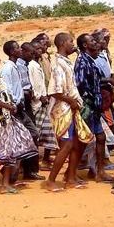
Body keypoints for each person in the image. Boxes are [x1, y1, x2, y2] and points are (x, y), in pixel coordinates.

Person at [0, 47, 38, 196]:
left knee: (11, 150)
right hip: (0, 119)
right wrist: (9, 106)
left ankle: (5, 184)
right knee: (5, 151)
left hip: (7, 116)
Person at [46, 33, 94, 191]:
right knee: (66, 145)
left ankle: (71, 178)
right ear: (62, 44)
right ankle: (51, 180)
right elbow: (55, 91)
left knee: (76, 143)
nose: (73, 44)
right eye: (70, 42)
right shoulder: (58, 63)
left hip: (72, 107)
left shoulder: (66, 62)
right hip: (63, 110)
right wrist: (71, 101)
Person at [74, 34, 114, 183]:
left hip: (95, 106)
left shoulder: (91, 61)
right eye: (91, 41)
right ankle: (71, 173)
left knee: (101, 137)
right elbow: (80, 84)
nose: (95, 43)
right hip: (88, 107)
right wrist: (89, 102)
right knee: (83, 140)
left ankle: (99, 171)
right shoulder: (82, 62)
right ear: (85, 45)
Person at [0, 40, 42, 181]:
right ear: (12, 52)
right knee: (18, 139)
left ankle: (23, 170)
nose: (21, 50)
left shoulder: (16, 66)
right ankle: (11, 171)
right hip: (15, 108)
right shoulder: (8, 68)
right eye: (18, 48)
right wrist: (13, 104)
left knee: (32, 134)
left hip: (21, 107)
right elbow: (7, 89)